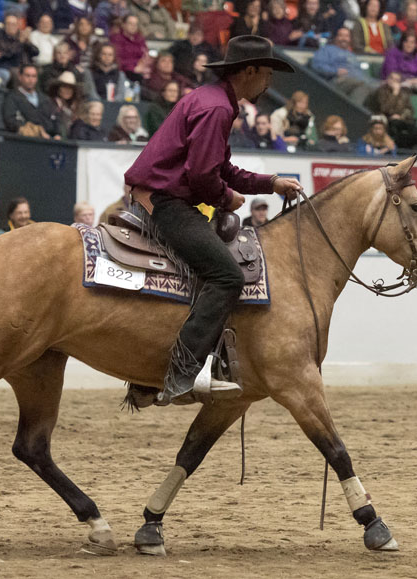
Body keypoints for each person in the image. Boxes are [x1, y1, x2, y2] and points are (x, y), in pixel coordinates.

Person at [123, 34, 302, 405]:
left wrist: (270, 183)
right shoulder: (218, 108)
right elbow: (205, 177)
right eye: (267, 73)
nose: (269, 82)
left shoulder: (213, 100)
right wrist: (227, 198)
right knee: (226, 276)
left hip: (161, 197)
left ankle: (148, 376)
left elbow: (221, 168)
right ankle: (181, 373)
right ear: (250, 71)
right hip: (164, 202)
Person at [311, 27, 380, 106]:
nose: (344, 39)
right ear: (336, 37)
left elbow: (362, 74)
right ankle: (354, 112)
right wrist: (335, 71)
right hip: (338, 81)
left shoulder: (352, 55)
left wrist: (379, 83)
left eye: (347, 36)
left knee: (382, 88)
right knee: (363, 85)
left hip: (357, 81)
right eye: (341, 35)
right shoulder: (327, 50)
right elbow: (317, 65)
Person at [2, 64, 61, 138]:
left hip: (50, 141)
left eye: (33, 76)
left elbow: (56, 118)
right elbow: (10, 120)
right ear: (20, 77)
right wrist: (35, 131)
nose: (31, 79)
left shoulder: (45, 99)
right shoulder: (12, 97)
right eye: (27, 76)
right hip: (25, 141)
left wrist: (57, 134)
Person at [366, 71, 417, 149]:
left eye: (396, 80)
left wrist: (401, 116)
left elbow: (409, 109)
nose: (393, 81)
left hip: (400, 119)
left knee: (413, 128)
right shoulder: (381, 91)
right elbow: (385, 108)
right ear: (387, 79)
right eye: (391, 78)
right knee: (394, 125)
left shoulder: (404, 93)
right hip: (384, 118)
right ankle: (394, 148)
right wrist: (395, 93)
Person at [47, 71, 83, 138]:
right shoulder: (50, 104)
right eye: (64, 87)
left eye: (70, 88)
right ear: (58, 88)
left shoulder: (75, 108)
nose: (67, 90)